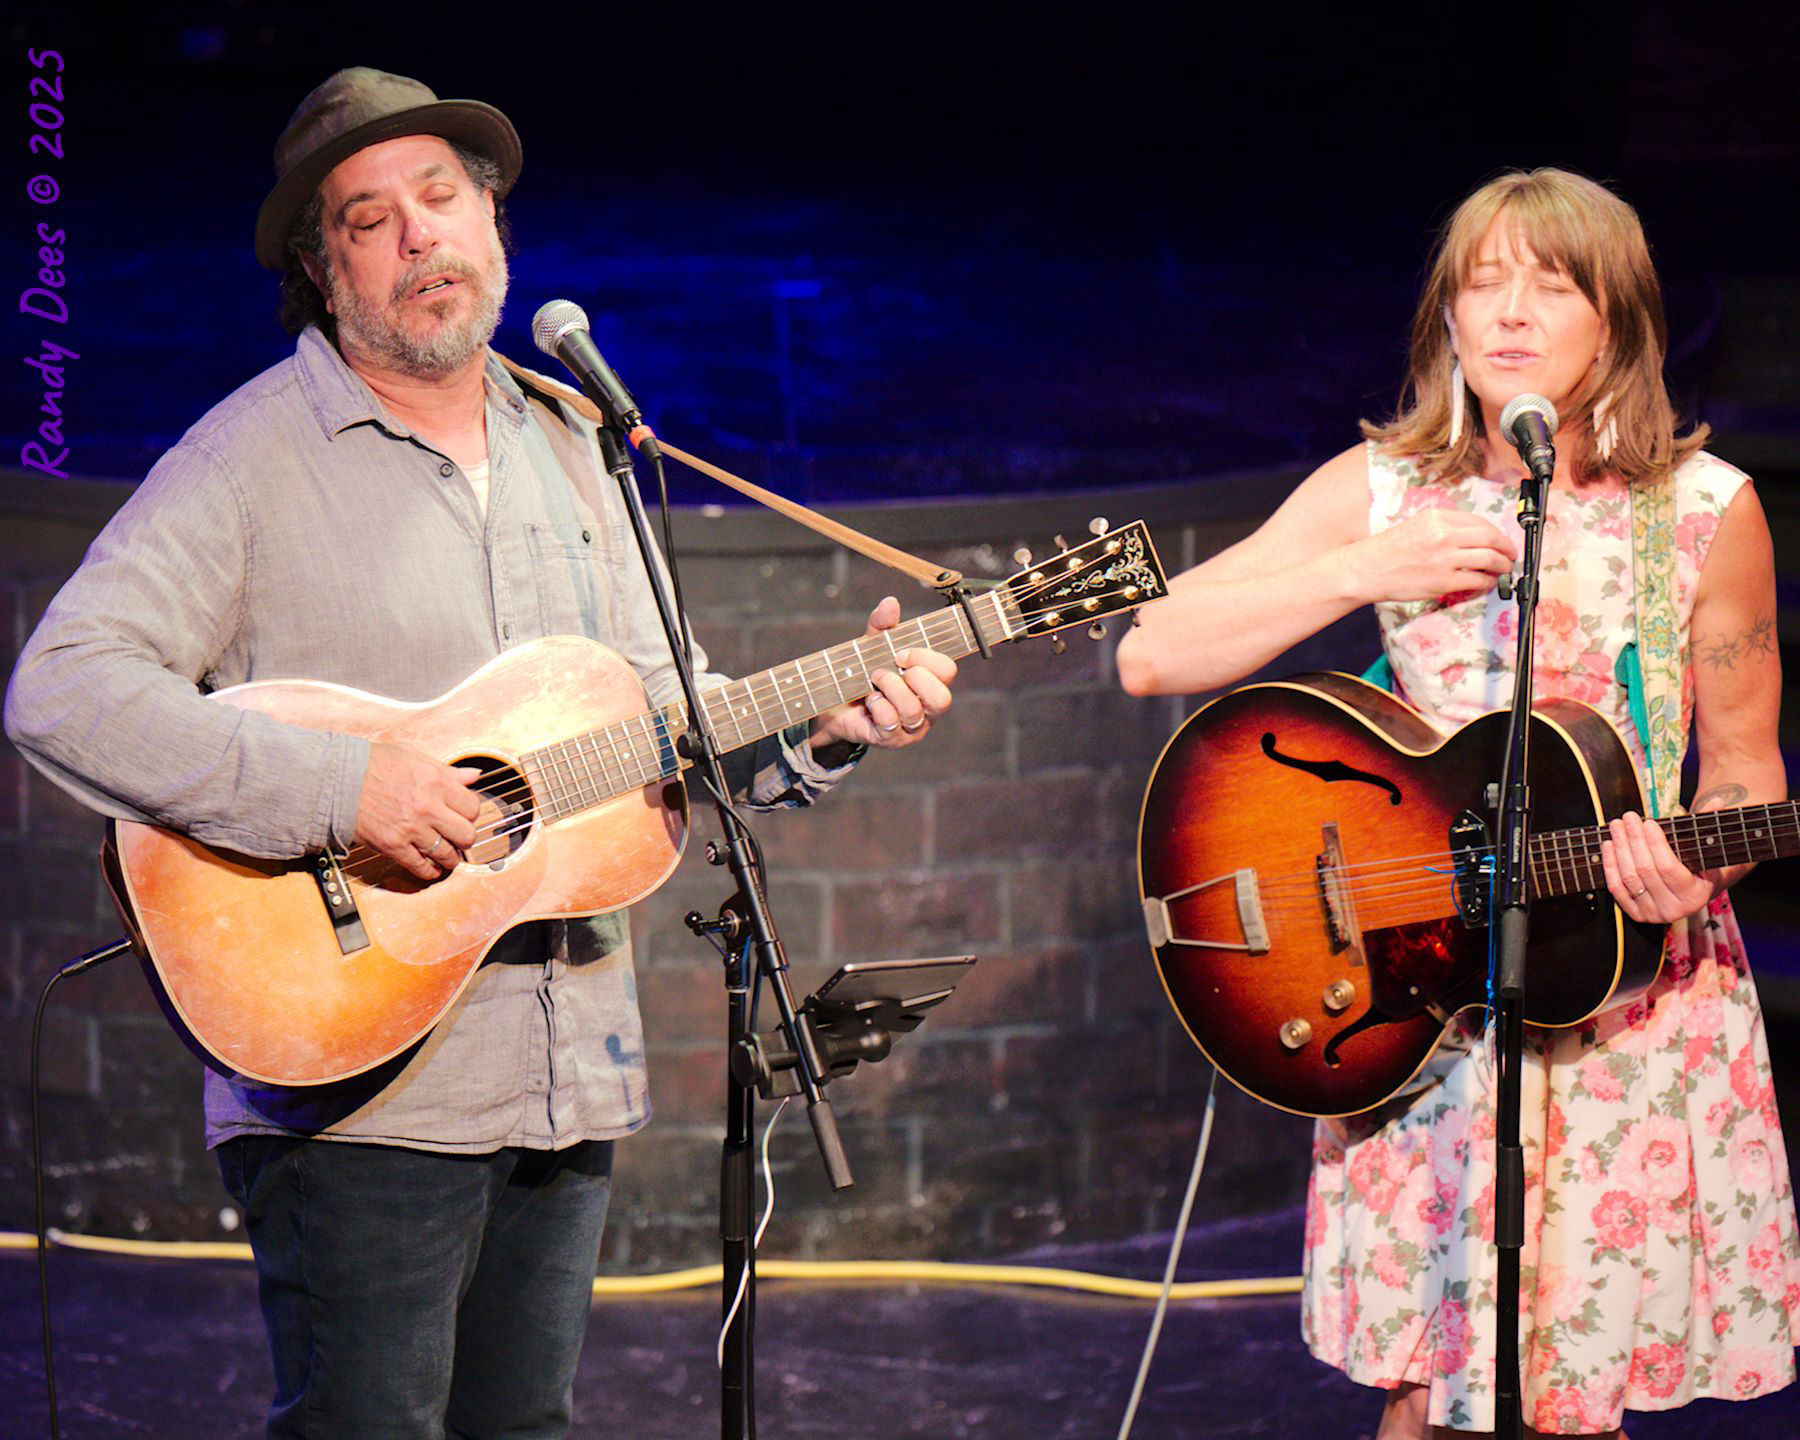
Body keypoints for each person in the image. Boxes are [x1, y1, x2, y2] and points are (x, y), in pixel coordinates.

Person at [3, 68, 958, 1439]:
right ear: (325, 269)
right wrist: (348, 789)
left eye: (441, 199)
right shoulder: (252, 460)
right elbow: (62, 686)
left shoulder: (580, 443)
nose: (418, 238)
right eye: (370, 219)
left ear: (493, 221)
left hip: (569, 1075)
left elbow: (665, 718)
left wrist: (821, 726)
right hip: (355, 1083)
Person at [1116, 168, 1800, 1437]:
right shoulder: (1383, 489)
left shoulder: (1707, 515)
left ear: (1619, 320)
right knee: (1428, 1385)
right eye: (1484, 283)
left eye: (1552, 285)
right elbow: (1150, 651)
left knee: (1568, 1392)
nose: (1512, 314)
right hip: (1423, 992)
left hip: (1622, 994)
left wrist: (1701, 867)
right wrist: (1365, 566)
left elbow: (1748, 774)